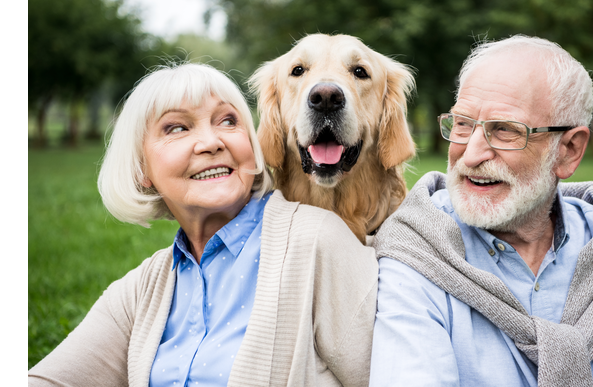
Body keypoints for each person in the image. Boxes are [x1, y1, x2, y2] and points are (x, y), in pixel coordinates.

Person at [28, 63, 378, 387]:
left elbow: (394, 375)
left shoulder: (317, 242)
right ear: (141, 170)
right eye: (177, 127)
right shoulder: (142, 291)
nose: (212, 143)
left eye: (228, 121)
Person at [369, 36, 593, 387]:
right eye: (463, 124)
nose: (470, 155)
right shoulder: (415, 252)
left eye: (505, 130)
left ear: (569, 151)